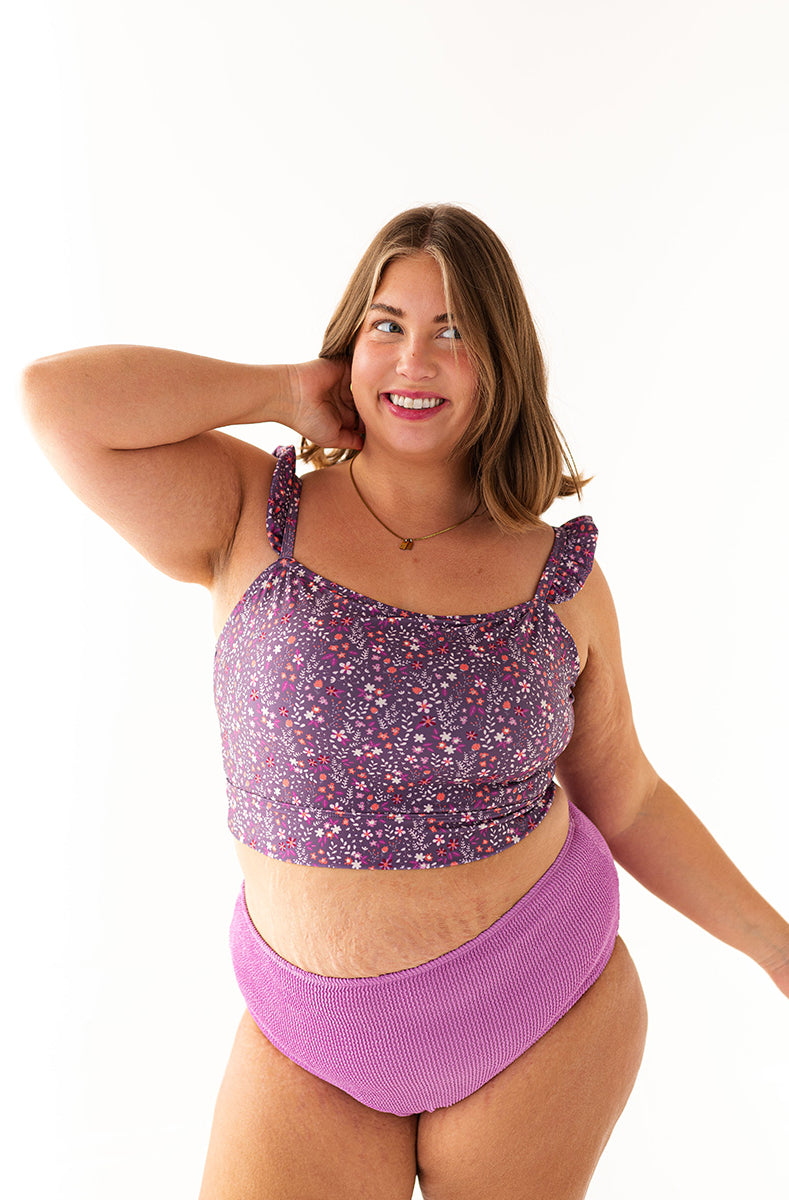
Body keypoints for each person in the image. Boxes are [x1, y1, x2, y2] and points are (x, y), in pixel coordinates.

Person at [23, 204, 788, 1200]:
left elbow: (627, 794)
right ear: (351, 344)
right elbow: (56, 400)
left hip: (539, 1008)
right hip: (307, 1037)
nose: (414, 360)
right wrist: (280, 391)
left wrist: (776, 948)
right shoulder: (249, 512)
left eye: (452, 331)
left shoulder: (560, 579)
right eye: (388, 325)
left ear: (499, 362)